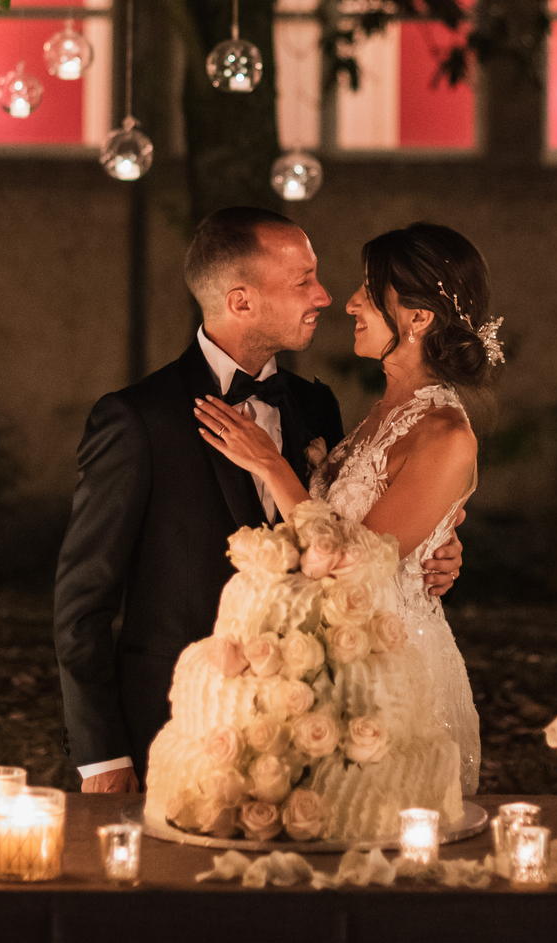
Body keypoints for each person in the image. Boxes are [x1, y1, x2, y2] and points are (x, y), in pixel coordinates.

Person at [53, 207, 467, 792]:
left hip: (313, 724)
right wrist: (102, 756)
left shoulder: (315, 406)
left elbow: (352, 531)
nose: (325, 296)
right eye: (303, 281)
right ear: (241, 301)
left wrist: (432, 546)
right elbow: (82, 603)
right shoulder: (137, 420)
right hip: (177, 726)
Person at [193, 221, 500, 794]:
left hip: (391, 674)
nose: (350, 302)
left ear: (419, 316)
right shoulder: (375, 413)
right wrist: (438, 541)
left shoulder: (444, 431)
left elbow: (363, 566)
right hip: (330, 667)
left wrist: (272, 466)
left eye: (369, 290)